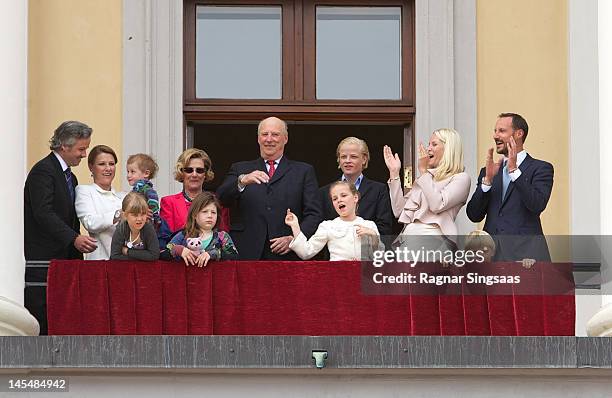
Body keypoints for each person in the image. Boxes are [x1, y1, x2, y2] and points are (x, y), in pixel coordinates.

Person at [24, 120, 97, 334]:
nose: (84, 155)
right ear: (64, 146)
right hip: (44, 260)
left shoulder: (70, 177)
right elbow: (43, 213)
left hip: (63, 260)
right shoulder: (43, 172)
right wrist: (73, 238)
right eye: (81, 149)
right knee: (43, 319)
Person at [216, 116, 322, 260]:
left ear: (285, 138)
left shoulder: (304, 171)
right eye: (265, 134)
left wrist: (295, 239)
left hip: (287, 255)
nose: (269, 139)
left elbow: (314, 214)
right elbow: (221, 199)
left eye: (275, 134)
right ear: (258, 138)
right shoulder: (240, 169)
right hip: (247, 252)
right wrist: (242, 180)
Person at [466, 113, 553, 261]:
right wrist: (487, 182)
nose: (495, 135)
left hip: (526, 257)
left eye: (502, 131)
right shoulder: (489, 171)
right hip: (491, 257)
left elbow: (537, 204)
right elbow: (474, 215)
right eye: (495, 131)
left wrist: (514, 172)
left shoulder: (541, 168)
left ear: (519, 134)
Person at [383, 128, 471, 250]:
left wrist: (424, 172)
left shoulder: (461, 178)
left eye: (434, 144)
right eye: (428, 144)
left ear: (449, 149)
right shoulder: (425, 178)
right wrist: (394, 173)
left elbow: (437, 205)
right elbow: (399, 210)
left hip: (433, 244)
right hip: (408, 243)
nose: (428, 148)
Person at [286, 181, 381, 260]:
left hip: (363, 278)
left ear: (355, 198)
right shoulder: (328, 226)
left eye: (343, 195)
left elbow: (381, 257)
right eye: (335, 199)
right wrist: (295, 226)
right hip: (337, 277)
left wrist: (373, 236)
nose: (339, 200)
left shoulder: (369, 225)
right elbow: (306, 252)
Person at [319, 137, 393, 236]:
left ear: (364, 159)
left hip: (367, 248)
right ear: (338, 160)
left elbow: (385, 227)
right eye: (343, 157)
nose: (347, 161)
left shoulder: (379, 190)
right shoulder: (324, 192)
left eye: (353, 156)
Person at [160, 148, 229, 245]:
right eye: (189, 170)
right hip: (178, 257)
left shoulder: (217, 201)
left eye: (200, 170)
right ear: (182, 173)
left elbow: (223, 238)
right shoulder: (169, 202)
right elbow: (166, 239)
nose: (194, 174)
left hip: (211, 257)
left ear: (205, 174)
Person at [75, 145, 126, 260]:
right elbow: (90, 222)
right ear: (91, 167)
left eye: (111, 164)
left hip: (124, 263)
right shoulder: (85, 191)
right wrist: (118, 215)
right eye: (102, 164)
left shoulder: (123, 197)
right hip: (98, 262)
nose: (108, 168)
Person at [167, 192, 239, 266]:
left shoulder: (222, 236)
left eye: (213, 212)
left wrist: (213, 254)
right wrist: (179, 250)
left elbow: (235, 257)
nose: (210, 216)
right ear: (194, 215)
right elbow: (164, 253)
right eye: (205, 212)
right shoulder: (184, 234)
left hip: (216, 277)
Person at [110, 192, 160, 261]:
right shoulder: (121, 229)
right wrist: (142, 257)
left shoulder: (148, 228)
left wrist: (127, 251)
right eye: (135, 215)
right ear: (125, 215)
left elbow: (154, 255)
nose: (139, 219)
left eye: (143, 214)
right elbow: (115, 256)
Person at [126, 153, 161, 229]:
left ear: (146, 173)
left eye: (132, 172)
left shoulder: (146, 189)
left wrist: (151, 213)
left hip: (146, 224)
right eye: (128, 172)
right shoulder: (134, 190)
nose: (128, 175)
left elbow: (153, 204)